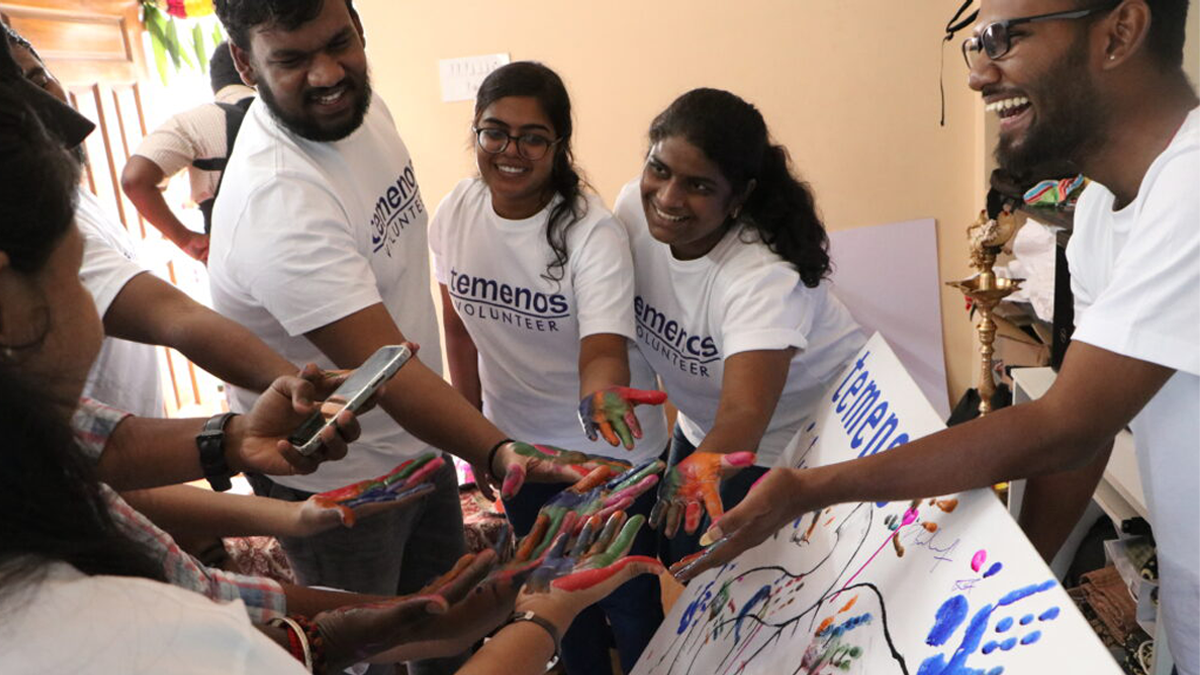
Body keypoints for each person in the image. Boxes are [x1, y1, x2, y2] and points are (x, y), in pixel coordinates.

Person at [0, 54, 665, 673]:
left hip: (443, 457)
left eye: (341, 43)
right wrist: (537, 620)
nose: (327, 72)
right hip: (431, 461)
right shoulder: (115, 627)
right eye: (79, 254)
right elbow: (233, 621)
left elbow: (141, 502)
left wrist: (256, 471)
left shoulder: (40, 450)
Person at [676, 1, 1198, 672]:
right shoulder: (1099, 210)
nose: (981, 74)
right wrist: (1010, 581)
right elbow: (1087, 434)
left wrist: (814, 487)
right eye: (975, 43)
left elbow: (1066, 423)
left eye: (1003, 39)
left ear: (1119, 32)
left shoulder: (1192, 185)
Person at [208, 3, 628, 673]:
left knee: (450, 628)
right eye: (290, 59)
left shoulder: (360, 110)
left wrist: (464, 439)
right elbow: (387, 370)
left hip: (420, 444)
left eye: (339, 43)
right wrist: (495, 451)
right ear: (244, 63)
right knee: (368, 650)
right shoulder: (279, 201)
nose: (327, 75)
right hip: (341, 489)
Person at [429, 60, 669, 675]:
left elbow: (603, 348)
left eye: (533, 137)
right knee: (554, 606)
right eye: (494, 131)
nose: (511, 150)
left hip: (607, 455)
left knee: (630, 603)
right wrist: (474, 430)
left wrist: (599, 400)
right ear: (476, 134)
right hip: (520, 451)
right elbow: (457, 322)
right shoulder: (455, 212)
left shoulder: (592, 234)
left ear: (559, 145)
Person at [612, 88, 866, 566]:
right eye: (659, 169)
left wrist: (690, 479)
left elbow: (744, 417)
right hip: (702, 424)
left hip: (797, 442)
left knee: (744, 590)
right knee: (679, 558)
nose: (667, 198)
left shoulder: (761, 275)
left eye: (699, 186)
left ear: (739, 195)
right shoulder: (632, 209)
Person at [4, 26, 295, 420]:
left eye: (41, 81)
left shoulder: (70, 191)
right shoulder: (31, 219)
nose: (44, 115)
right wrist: (296, 383)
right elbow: (177, 317)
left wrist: (235, 440)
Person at [121, 41, 256, 262]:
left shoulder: (192, 123)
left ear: (215, 82)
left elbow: (134, 180)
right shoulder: (298, 114)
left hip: (234, 259)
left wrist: (186, 240)